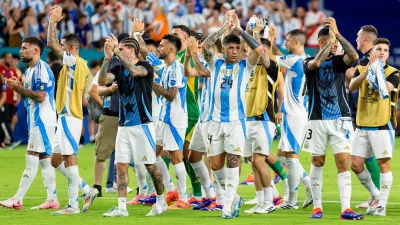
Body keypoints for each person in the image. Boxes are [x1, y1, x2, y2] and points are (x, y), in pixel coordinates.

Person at [201, 11, 262, 218]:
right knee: (216, 164)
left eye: (237, 47)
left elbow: (259, 49)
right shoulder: (214, 63)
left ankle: (227, 207)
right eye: (230, 47)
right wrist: (223, 27)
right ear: (224, 48)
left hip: (236, 122)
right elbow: (204, 47)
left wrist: (240, 31)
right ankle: (233, 197)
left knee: (233, 161)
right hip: (214, 122)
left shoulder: (245, 67)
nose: (234, 51)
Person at [99, 35, 167, 217]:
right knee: (120, 166)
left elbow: (135, 71)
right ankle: (121, 208)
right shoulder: (118, 67)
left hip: (143, 125)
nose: (118, 51)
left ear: (133, 50)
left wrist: (115, 52)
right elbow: (103, 80)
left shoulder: (145, 67)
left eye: (122, 49)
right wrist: (107, 59)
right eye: (118, 49)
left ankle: (161, 201)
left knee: (150, 167)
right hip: (124, 126)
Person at [303, 18, 364, 219]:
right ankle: (317, 207)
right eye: (331, 41)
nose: (336, 46)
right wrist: (329, 43)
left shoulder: (338, 62)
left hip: (341, 119)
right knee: (317, 161)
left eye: (336, 43)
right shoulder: (307, 62)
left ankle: (345, 208)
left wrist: (337, 34)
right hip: (317, 119)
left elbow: (354, 55)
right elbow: (316, 63)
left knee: (343, 162)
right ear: (321, 42)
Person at [47, 5, 98, 214]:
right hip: (64, 117)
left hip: (71, 116)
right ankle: (86, 189)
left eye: (63, 45)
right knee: (55, 160)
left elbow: (50, 43)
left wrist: (53, 22)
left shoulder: (75, 62)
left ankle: (72, 205)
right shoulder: (72, 64)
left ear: (71, 48)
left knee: (70, 159)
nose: (59, 47)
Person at [0, 37, 59, 210]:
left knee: (31, 156)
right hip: (39, 119)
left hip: (42, 119)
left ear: (36, 51)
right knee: (44, 159)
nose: (20, 51)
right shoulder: (29, 71)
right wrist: (19, 86)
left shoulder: (41, 69)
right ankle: (52, 199)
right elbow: (30, 95)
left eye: (25, 48)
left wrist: (17, 88)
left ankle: (17, 198)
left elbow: (40, 97)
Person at [349, 38, 399, 217]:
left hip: (382, 125)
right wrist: (366, 71)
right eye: (379, 49)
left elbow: (385, 89)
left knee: (383, 164)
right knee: (355, 164)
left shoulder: (394, 73)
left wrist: (376, 71)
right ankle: (376, 194)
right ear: (373, 51)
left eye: (386, 50)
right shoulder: (362, 68)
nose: (383, 52)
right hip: (362, 125)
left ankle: (382, 206)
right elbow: (352, 86)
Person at [267, 26, 312, 209]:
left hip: (295, 115)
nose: (284, 43)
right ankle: (309, 187)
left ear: (295, 42)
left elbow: (268, 58)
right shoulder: (305, 58)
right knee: (283, 157)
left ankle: (292, 201)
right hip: (294, 113)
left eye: (286, 40)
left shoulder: (294, 60)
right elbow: (279, 56)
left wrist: (269, 41)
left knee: (291, 158)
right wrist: (274, 43)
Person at [243, 33, 282, 214]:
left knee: (259, 160)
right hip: (248, 121)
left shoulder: (271, 68)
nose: (249, 52)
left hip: (264, 120)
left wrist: (255, 33)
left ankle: (269, 201)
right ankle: (260, 202)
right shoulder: (248, 69)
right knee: (253, 162)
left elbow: (260, 51)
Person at [152, 34, 190, 209]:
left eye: (162, 45)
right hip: (163, 117)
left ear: (171, 49)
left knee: (176, 156)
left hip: (174, 119)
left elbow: (172, 95)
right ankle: (171, 190)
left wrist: (152, 84)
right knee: (152, 154)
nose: (159, 48)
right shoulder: (166, 69)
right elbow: (162, 94)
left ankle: (183, 198)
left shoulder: (177, 68)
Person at [346, 25, 381, 209]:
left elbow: (354, 79)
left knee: (374, 159)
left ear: (365, 39)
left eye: (358, 37)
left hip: (376, 117)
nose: (356, 39)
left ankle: (378, 198)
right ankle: (375, 195)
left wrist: (352, 74)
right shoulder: (364, 59)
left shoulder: (373, 58)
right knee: (361, 160)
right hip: (364, 116)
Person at [184, 35, 218, 210]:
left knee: (215, 160)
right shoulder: (203, 62)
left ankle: (224, 198)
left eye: (203, 48)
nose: (201, 51)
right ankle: (209, 195)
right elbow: (188, 73)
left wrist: (194, 54)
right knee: (193, 156)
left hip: (215, 119)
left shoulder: (217, 63)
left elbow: (204, 72)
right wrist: (189, 56)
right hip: (203, 118)